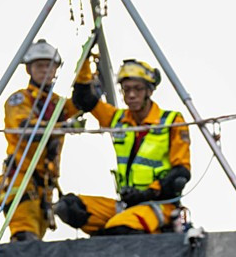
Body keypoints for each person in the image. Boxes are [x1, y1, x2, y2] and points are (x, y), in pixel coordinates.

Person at [55, 59, 192, 236]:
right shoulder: (118, 119)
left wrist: (148, 193)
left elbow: (180, 174)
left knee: (118, 227)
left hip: (159, 205)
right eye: (126, 89)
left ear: (149, 91)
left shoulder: (172, 121)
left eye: (138, 89)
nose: (131, 95)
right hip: (127, 205)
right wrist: (85, 62)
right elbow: (85, 99)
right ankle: (110, 235)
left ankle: (112, 236)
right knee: (69, 207)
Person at [0, 39, 85, 241]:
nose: (45, 70)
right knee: (25, 239)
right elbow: (26, 129)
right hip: (22, 181)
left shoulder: (56, 103)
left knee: (36, 242)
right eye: (39, 66)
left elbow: (83, 101)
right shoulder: (19, 100)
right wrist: (64, 127)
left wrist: (87, 73)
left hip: (44, 188)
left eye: (49, 65)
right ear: (29, 69)